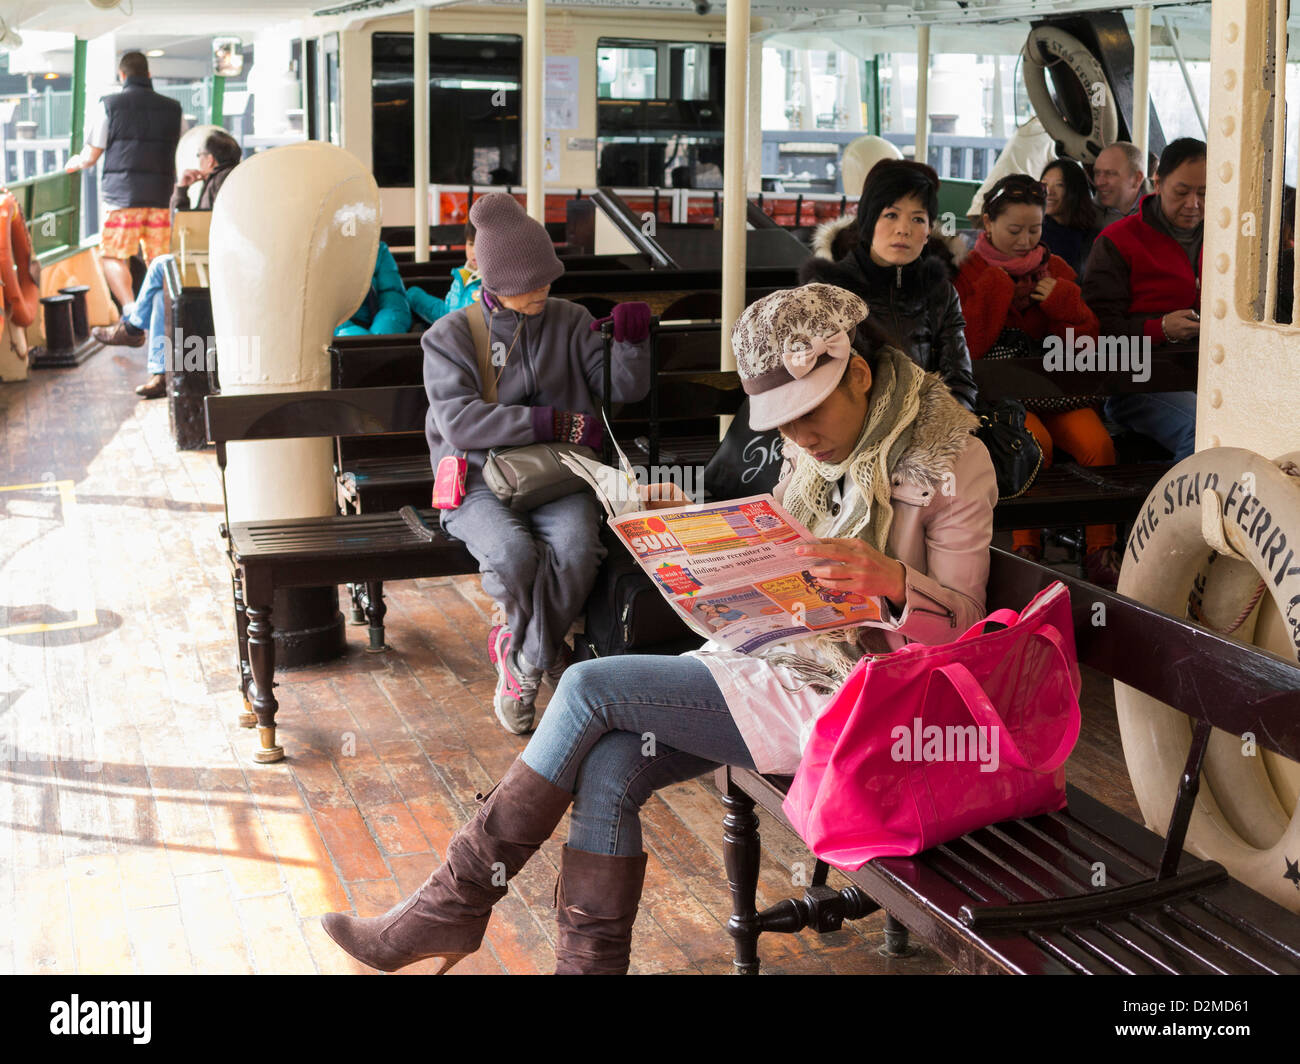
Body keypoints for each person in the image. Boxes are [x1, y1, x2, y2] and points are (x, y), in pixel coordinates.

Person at [322, 281, 997, 975]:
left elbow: (971, 638)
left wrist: (893, 584)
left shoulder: (950, 461)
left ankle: (450, 906)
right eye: (782, 423)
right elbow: (786, 540)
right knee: (611, 768)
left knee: (587, 687)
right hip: (779, 660)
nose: (797, 438)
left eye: (807, 415)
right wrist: (695, 526)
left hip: (869, 701)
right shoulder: (821, 444)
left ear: (858, 373)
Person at [422, 192, 652, 734]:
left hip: (559, 471)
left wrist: (632, 343)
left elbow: (622, 391)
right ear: (493, 283)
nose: (542, 292)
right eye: (529, 284)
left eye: (547, 279)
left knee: (577, 550)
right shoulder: (449, 337)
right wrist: (553, 423)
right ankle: (531, 646)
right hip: (476, 475)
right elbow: (461, 424)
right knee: (510, 555)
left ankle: (522, 658)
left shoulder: (570, 321)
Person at [953, 174, 1120, 587]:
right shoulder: (967, 272)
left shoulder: (1057, 269)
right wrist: (995, 289)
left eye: (1035, 229)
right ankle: (1025, 544)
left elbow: (1085, 346)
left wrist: (1067, 305)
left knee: (1098, 444)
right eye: (1015, 230)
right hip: (999, 397)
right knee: (1034, 443)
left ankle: (1102, 549)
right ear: (987, 224)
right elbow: (970, 347)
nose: (1026, 240)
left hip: (1056, 392)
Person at [801, 159, 978, 411]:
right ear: (867, 222)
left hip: (928, 427)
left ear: (929, 231)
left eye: (918, 219)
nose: (903, 229)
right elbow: (818, 386)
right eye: (891, 215)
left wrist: (941, 430)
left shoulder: (940, 292)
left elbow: (960, 381)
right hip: (852, 432)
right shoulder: (827, 292)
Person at [91, 129, 242, 398]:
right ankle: (159, 372)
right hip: (213, 260)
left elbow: (187, 228)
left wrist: (182, 190)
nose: (198, 161)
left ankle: (133, 326)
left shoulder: (223, 182)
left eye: (200, 156)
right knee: (162, 292)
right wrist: (182, 189)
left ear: (210, 160)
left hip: (215, 264)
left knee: (161, 263)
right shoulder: (227, 179)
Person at [1082, 137, 1206, 462]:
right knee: (1202, 429)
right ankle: (1182, 513)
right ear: (1157, 182)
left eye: (1205, 193)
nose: (1194, 203)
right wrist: (1160, 329)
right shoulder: (1117, 241)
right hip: (1136, 383)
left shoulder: (1228, 239)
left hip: (1208, 378)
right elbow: (1099, 331)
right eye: (1182, 192)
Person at [64, 51, 182, 315]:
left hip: (122, 200)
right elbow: (181, 152)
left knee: (114, 256)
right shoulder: (173, 109)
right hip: (160, 199)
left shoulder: (109, 105)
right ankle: (160, 312)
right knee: (159, 259)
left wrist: (75, 162)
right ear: (148, 75)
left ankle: (131, 310)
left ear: (122, 75)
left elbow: (91, 155)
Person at [407, 219, 482, 325]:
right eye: (470, 244)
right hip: (449, 322)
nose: (474, 251)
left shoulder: (491, 281)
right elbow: (447, 310)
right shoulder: (461, 274)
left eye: (480, 245)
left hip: (467, 332)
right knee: (413, 294)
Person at [1040, 158, 1102, 279]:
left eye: (1059, 185)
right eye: (1044, 184)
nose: (1049, 192)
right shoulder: (1034, 234)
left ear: (1075, 191)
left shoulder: (1094, 240)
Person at [335, 241, 413, 336]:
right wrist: (346, 331)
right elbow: (319, 312)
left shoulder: (377, 248)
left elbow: (393, 295)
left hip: (376, 320)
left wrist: (387, 327)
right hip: (337, 330)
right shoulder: (316, 250)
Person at [1091, 142, 1148, 229]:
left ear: (1137, 179)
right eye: (1097, 173)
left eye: (1110, 173)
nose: (1099, 182)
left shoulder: (1164, 213)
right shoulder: (1087, 217)